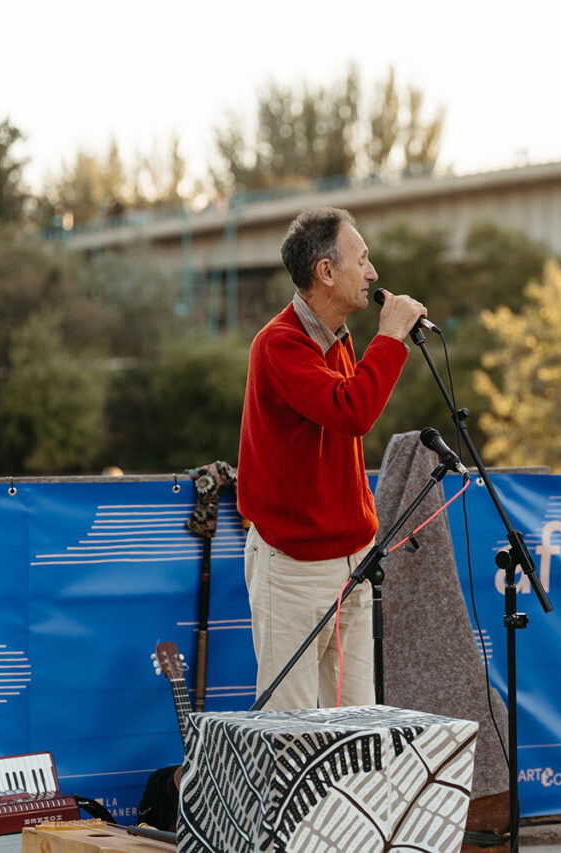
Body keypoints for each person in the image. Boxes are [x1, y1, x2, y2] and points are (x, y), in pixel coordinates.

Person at [237, 206, 426, 710]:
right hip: (294, 567)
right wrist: (389, 339)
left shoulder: (337, 341)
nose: (373, 273)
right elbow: (353, 411)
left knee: (355, 723)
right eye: (362, 260)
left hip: (351, 561)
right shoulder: (279, 345)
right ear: (326, 272)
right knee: (291, 730)